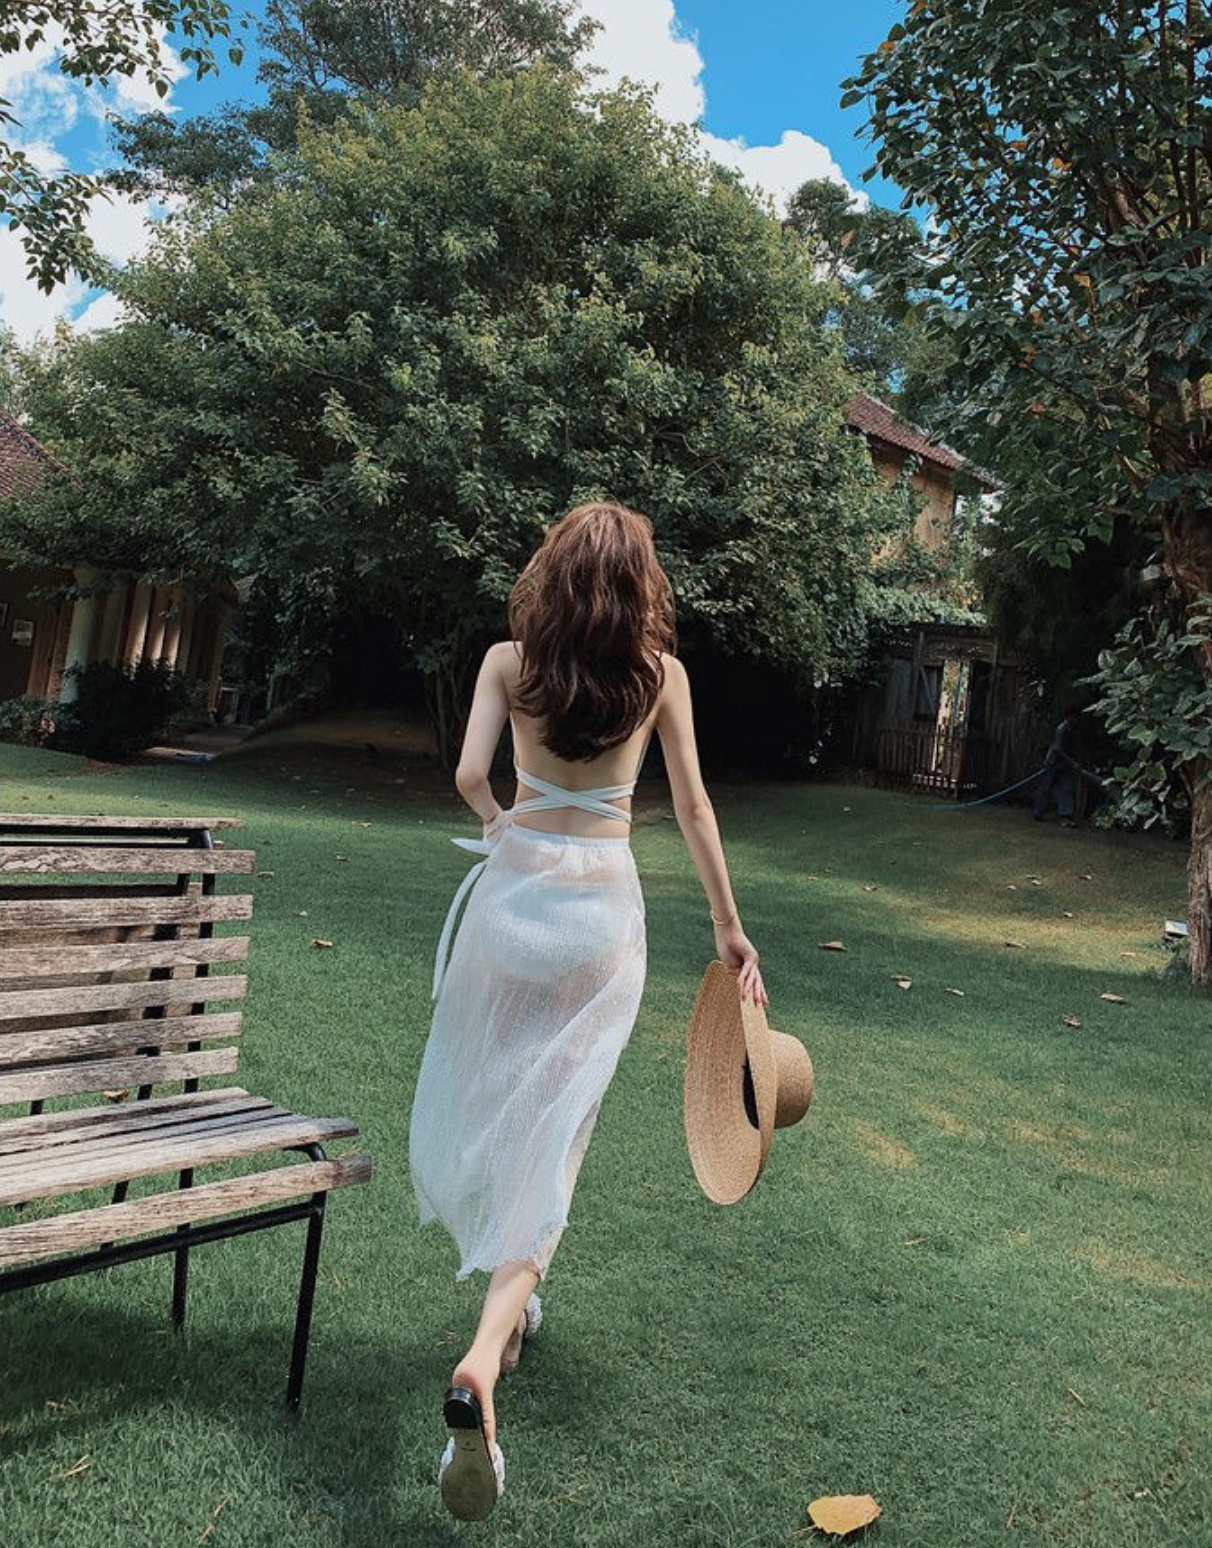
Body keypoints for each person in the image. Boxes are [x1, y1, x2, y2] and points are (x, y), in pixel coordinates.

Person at [408, 500, 765, 1521]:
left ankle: (507, 1319)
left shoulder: (505, 664)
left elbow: (469, 775)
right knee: (556, 1133)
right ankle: (486, 1352)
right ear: (638, 587)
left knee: (509, 1105)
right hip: (601, 915)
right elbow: (692, 807)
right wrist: (728, 927)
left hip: (514, 903)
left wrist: (504, 825)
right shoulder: (662, 678)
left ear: (554, 575)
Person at [1032, 706, 1083, 824]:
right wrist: (1073, 762)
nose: (1076, 721)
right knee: (1046, 788)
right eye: (1075, 718)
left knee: (1067, 788)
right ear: (1069, 717)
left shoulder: (1072, 729)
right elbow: (1058, 749)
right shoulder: (1061, 729)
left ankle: (1066, 815)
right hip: (1053, 763)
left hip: (1065, 765)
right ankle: (1038, 812)